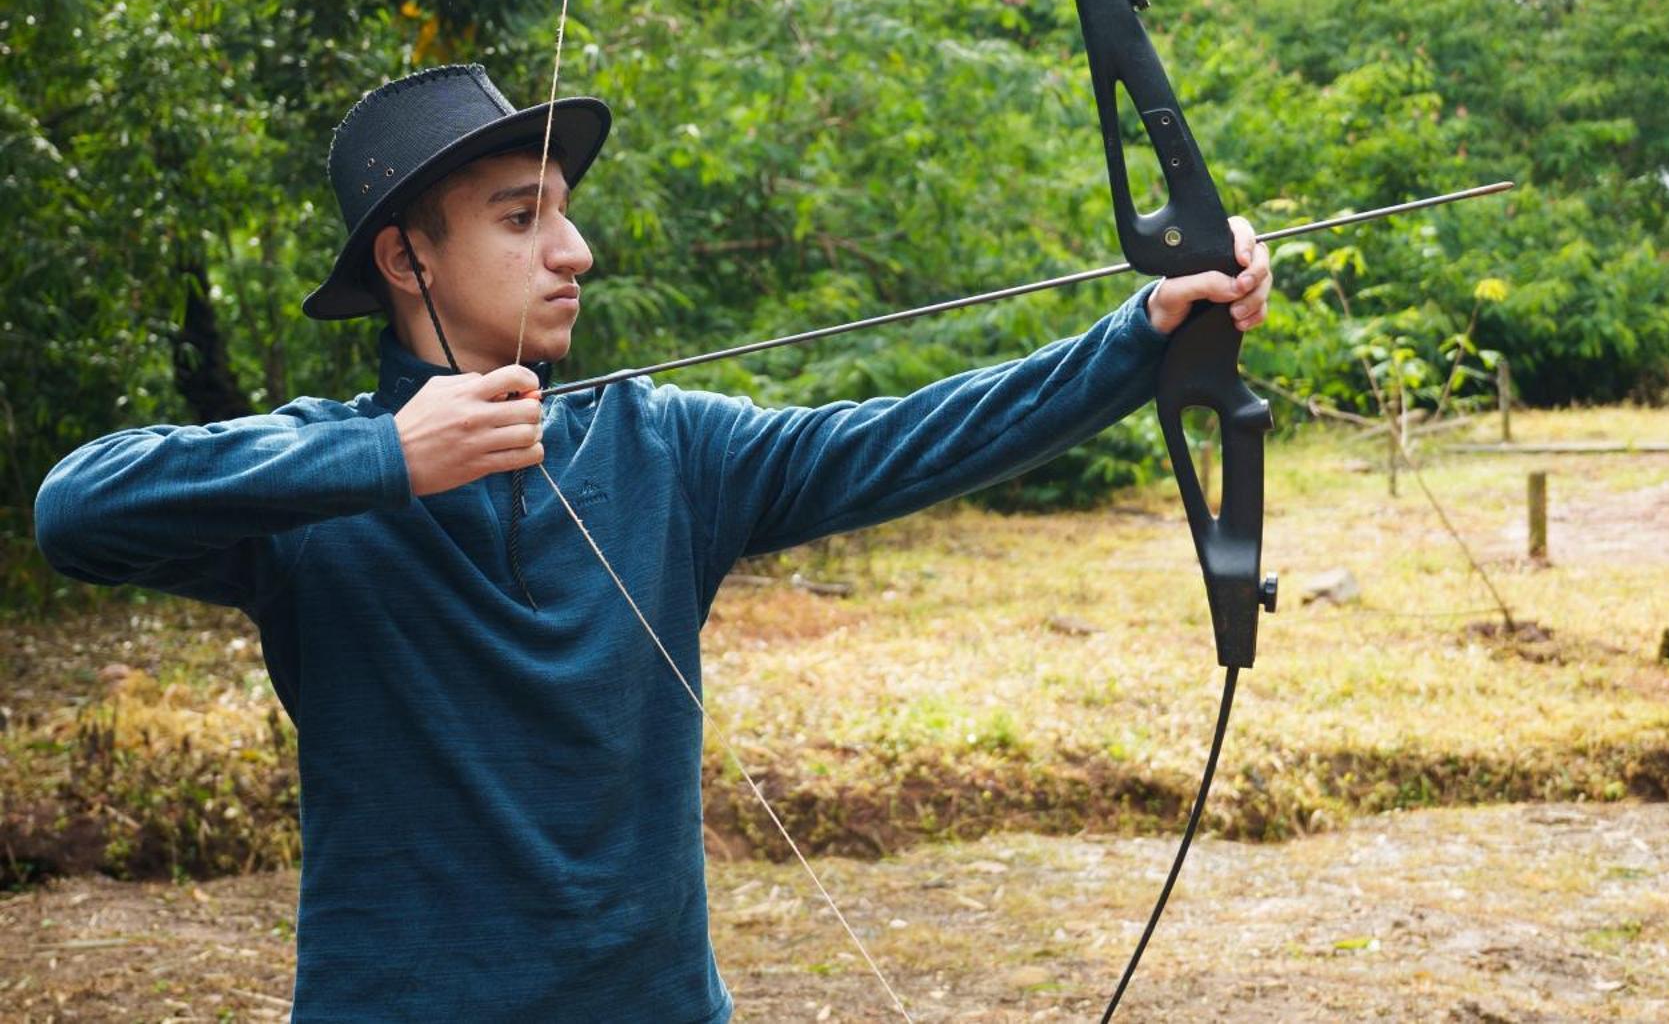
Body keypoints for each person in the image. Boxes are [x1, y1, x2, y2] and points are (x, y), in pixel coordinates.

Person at [34, 63, 1273, 1022]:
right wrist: (386, 460)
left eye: (565, 214)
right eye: (523, 218)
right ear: (406, 257)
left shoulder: (661, 450)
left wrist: (1146, 336)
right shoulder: (310, 489)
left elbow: (908, 439)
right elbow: (75, 509)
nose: (574, 251)